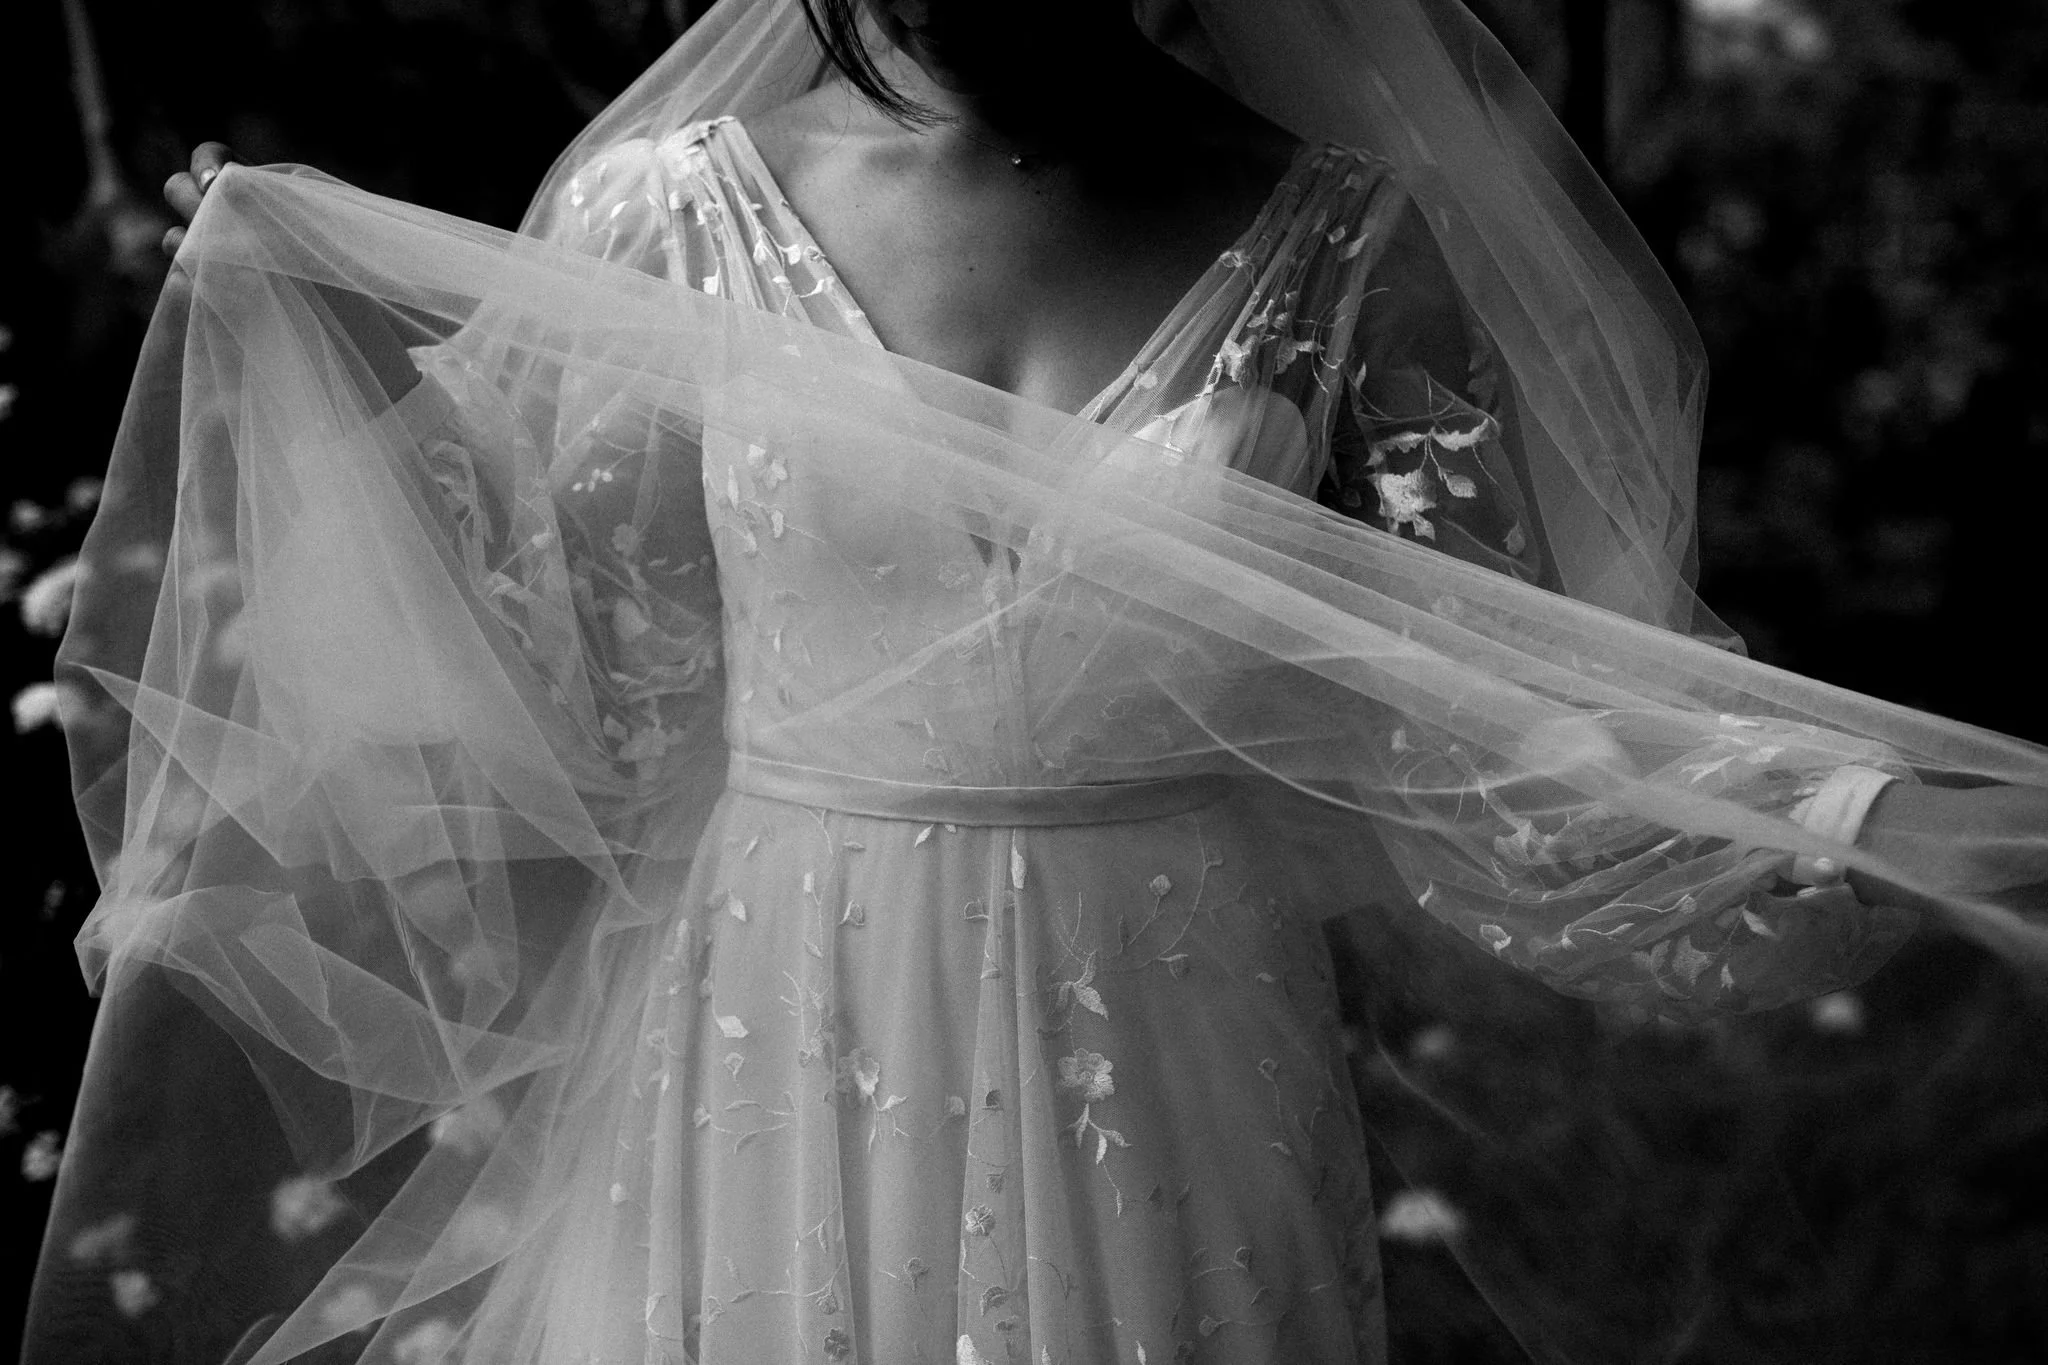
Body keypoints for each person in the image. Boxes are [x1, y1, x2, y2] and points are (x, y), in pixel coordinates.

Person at [25, 1, 2048, 1362]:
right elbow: (579, 710)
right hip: (762, 1016)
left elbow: (1491, 711)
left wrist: (1850, 809)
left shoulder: (1338, 234)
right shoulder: (671, 219)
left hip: (1168, 1047)